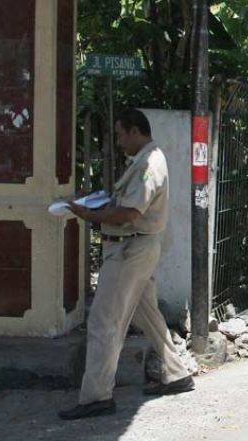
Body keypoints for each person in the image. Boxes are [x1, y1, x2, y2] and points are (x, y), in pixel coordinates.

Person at [59, 109, 193, 420]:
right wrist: (96, 203)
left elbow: (130, 212)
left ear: (135, 131)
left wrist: (88, 214)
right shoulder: (146, 159)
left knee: (105, 321)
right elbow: (125, 203)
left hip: (129, 250)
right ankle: (176, 373)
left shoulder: (149, 163)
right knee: (147, 314)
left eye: (120, 134)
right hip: (137, 248)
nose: (118, 142)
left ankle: (96, 396)